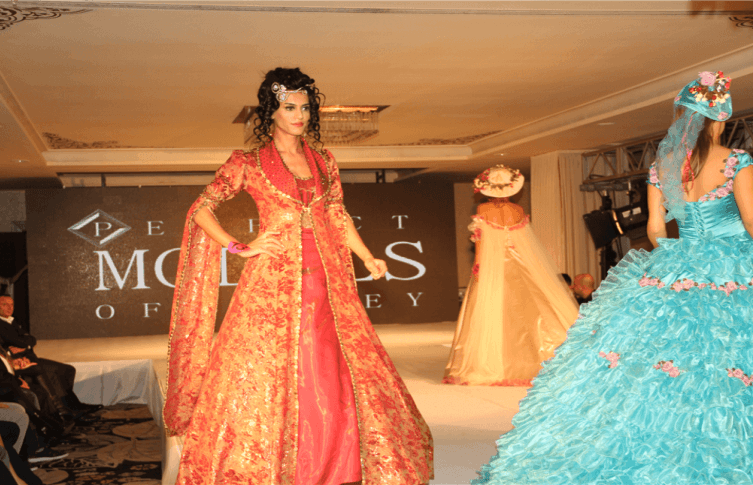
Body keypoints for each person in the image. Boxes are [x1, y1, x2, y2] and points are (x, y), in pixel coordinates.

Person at [472, 71, 753, 484]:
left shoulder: (663, 166)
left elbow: (655, 229)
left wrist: (679, 260)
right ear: (720, 120)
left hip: (676, 267)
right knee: (728, 358)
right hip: (734, 267)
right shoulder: (736, 161)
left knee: (661, 364)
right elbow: (751, 221)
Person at [165, 67, 433, 485]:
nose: (300, 116)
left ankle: (336, 462)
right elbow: (201, 209)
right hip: (272, 283)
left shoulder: (324, 160)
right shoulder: (247, 163)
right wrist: (240, 246)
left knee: (329, 368)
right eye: (290, 107)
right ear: (271, 111)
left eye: (306, 108)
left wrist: (367, 256)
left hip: (328, 280)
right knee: (267, 371)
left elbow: (337, 215)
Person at [443, 165, 578, 386]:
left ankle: (494, 364)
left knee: (492, 312)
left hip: (493, 266)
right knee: (528, 312)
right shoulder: (517, 210)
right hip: (521, 264)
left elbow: (481, 240)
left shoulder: (483, 209)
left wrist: (478, 265)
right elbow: (525, 243)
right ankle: (538, 358)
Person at [0, 295, 100, 416]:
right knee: (44, 370)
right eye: (4, 304)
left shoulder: (12, 321)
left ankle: (73, 404)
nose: (9, 307)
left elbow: (31, 339)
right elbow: (20, 341)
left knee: (67, 369)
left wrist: (26, 345)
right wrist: (24, 344)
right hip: (22, 362)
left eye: (11, 304)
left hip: (31, 358)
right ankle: (62, 410)